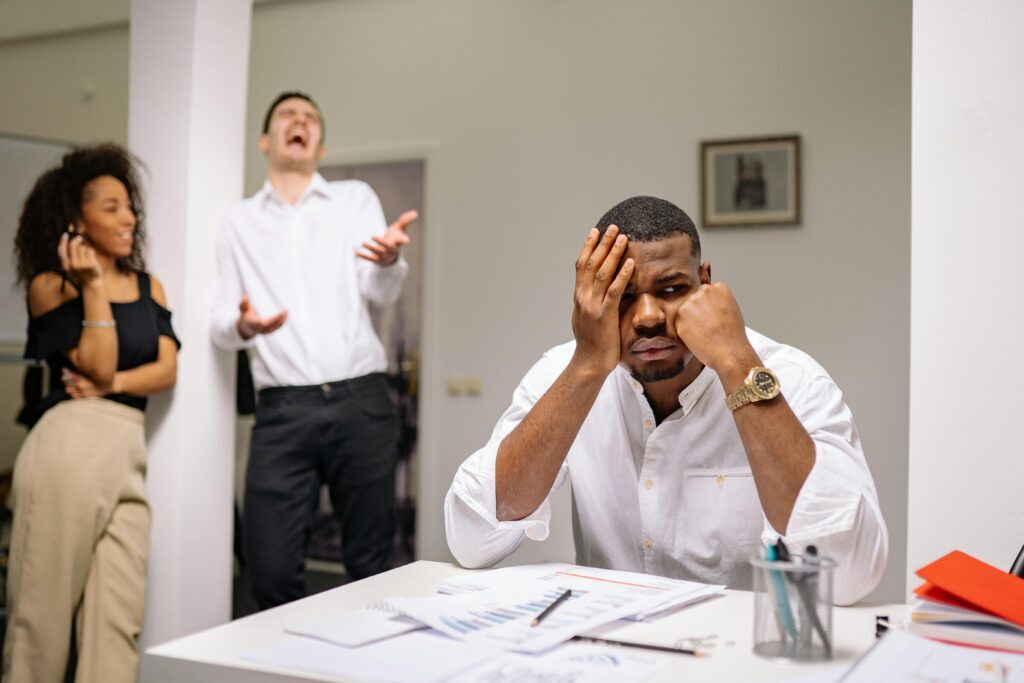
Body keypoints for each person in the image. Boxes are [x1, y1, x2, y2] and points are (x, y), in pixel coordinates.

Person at [444, 195, 887, 605]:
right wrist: (586, 366)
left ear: (705, 284)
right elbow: (472, 538)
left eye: (672, 289)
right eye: (623, 298)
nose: (649, 317)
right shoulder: (569, 371)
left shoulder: (793, 378)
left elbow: (848, 575)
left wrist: (736, 364)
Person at [211, 91, 418, 610]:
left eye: (311, 119)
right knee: (270, 568)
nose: (300, 122)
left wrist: (390, 261)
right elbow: (218, 324)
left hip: (361, 401)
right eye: (288, 115)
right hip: (283, 411)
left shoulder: (354, 199)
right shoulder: (236, 221)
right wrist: (243, 323)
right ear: (266, 139)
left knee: (372, 567)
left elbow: (381, 291)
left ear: (319, 146)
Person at [4, 144, 180, 682]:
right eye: (111, 207)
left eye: (129, 206)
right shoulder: (50, 286)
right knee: (42, 620)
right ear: (74, 220)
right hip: (68, 445)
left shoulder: (149, 286)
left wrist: (115, 382)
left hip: (127, 446)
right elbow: (97, 360)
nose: (128, 218)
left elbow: (165, 370)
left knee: (116, 624)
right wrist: (96, 286)